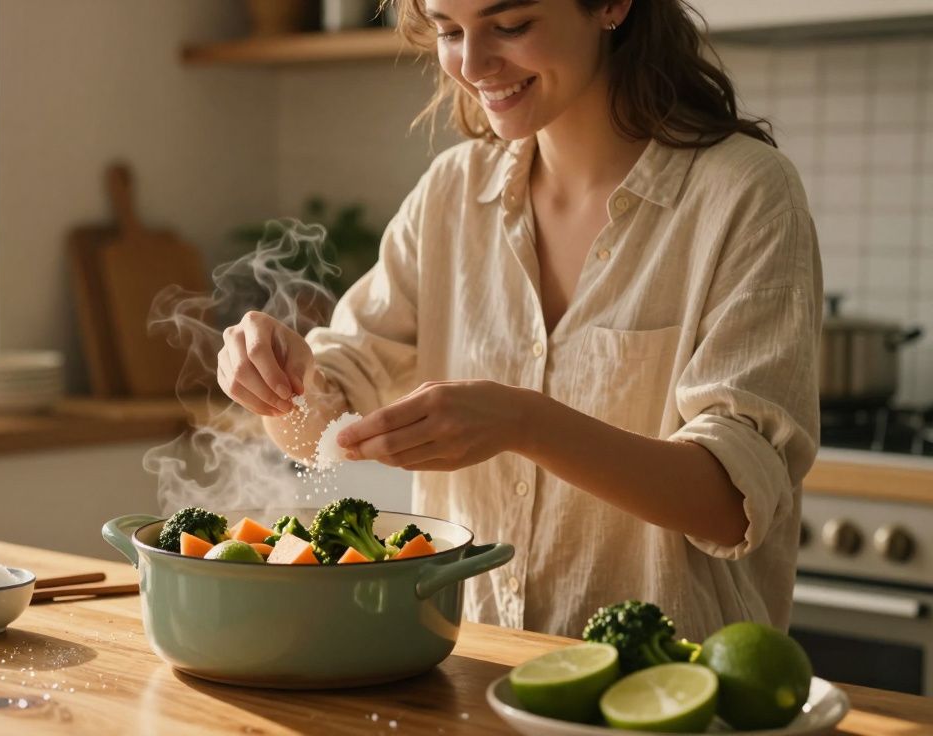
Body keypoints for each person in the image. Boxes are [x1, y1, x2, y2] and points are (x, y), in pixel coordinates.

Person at [216, 0, 820, 640]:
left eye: (510, 25)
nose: (472, 65)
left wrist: (523, 422)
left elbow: (731, 504)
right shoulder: (451, 192)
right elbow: (322, 429)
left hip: (671, 695)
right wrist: (280, 381)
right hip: (473, 679)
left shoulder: (746, 194)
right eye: (450, 31)